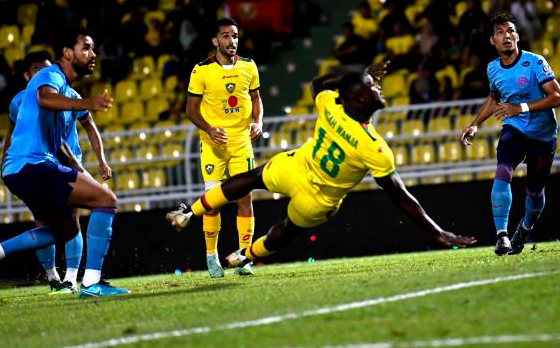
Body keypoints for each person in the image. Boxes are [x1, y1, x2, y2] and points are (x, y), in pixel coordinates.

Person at [166, 63, 475, 266]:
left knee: (251, 178)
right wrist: (438, 232)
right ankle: (244, 256)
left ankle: (190, 214)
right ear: (358, 99)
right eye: (371, 86)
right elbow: (401, 198)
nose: (378, 88)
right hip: (318, 199)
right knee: (287, 229)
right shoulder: (375, 148)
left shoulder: (331, 105)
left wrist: (361, 75)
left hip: (298, 169)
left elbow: (320, 83)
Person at [0, 26, 127, 298]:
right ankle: (90, 283)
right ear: (67, 52)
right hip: (33, 166)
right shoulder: (49, 75)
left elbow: (59, 140)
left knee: (64, 229)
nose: (93, 54)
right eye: (86, 48)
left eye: (93, 48)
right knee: (106, 200)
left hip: (21, 170)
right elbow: (44, 98)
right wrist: (87, 103)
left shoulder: (64, 88)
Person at [3, 51, 113, 293]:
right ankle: (53, 275)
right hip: (41, 164)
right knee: (45, 220)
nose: (44, 75)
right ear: (26, 76)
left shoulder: (69, 95)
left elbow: (89, 126)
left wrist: (99, 161)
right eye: (37, 71)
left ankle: (70, 278)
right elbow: (13, 134)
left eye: (47, 69)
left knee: (72, 218)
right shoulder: (21, 101)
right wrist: (5, 162)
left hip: (62, 164)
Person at [459, 13, 560, 256]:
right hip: (515, 129)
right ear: (492, 40)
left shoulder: (535, 62)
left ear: (517, 37)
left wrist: (521, 107)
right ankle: (502, 235)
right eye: (500, 32)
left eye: (510, 31)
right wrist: (475, 123)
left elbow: (558, 97)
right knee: (503, 170)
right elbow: (494, 97)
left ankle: (524, 229)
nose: (506, 36)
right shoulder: (493, 69)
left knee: (535, 192)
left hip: (543, 134)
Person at [184, 18, 264, 278]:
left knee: (245, 198)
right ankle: (211, 257)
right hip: (212, 144)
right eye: (226, 36)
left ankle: (244, 257)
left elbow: (256, 98)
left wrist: (258, 121)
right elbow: (191, 110)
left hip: (241, 142)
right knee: (212, 203)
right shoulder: (201, 70)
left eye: (235, 36)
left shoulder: (249, 66)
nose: (232, 41)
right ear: (215, 41)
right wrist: (209, 129)